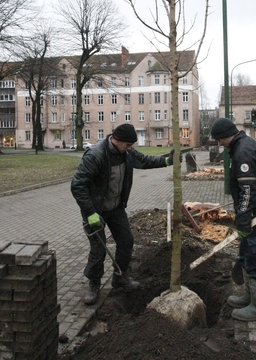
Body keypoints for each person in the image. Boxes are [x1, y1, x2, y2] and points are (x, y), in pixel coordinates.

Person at [71, 123, 177, 305]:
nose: (130, 149)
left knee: (126, 240)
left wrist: (167, 161)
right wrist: (89, 213)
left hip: (116, 208)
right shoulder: (96, 155)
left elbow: (144, 161)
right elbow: (78, 185)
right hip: (95, 211)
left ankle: (120, 277)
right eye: (128, 145)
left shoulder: (125, 152)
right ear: (116, 139)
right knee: (99, 249)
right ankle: (94, 284)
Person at [210, 117, 256, 321]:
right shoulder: (241, 146)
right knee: (246, 253)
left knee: (255, 255)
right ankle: (250, 295)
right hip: (251, 213)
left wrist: (244, 220)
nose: (219, 144)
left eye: (219, 140)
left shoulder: (243, 151)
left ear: (225, 136)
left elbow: (247, 190)